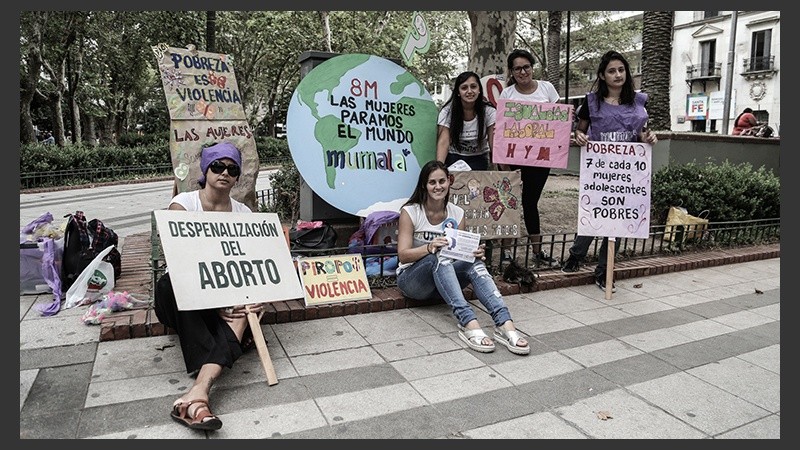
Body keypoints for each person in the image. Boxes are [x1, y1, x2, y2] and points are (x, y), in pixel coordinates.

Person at [153, 141, 264, 431]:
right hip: (183, 297)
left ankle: (199, 393)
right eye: (218, 166)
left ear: (237, 177)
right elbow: (182, 262)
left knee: (246, 308)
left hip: (226, 295)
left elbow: (252, 265)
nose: (225, 173)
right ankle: (228, 344)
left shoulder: (243, 214)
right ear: (206, 170)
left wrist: (261, 294)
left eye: (232, 169)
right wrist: (216, 305)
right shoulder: (183, 204)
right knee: (171, 284)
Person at [395, 160, 530, 355]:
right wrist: (430, 247)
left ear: (449, 182)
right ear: (424, 185)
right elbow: (403, 255)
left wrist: (472, 252)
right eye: (432, 182)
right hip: (413, 281)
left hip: (443, 281)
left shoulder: (457, 213)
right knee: (439, 255)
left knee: (474, 262)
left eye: (442, 181)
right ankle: (468, 323)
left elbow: (457, 255)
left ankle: (505, 324)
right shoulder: (411, 211)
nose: (438, 186)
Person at [562, 50, 658, 293]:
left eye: (621, 70)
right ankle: (576, 255)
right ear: (603, 75)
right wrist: (579, 136)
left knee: (618, 221)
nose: (617, 75)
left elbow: (642, 134)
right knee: (594, 214)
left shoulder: (639, 102)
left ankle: (605, 271)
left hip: (627, 173)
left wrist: (648, 138)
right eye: (612, 71)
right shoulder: (591, 102)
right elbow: (580, 130)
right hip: (599, 172)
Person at [498, 49, 561, 268]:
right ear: (511, 72)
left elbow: (558, 122)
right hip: (513, 158)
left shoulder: (547, 89)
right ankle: (506, 251)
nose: (523, 72)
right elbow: (502, 130)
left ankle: (537, 251)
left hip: (539, 159)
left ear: (532, 67)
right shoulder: (507, 94)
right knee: (509, 202)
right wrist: (504, 164)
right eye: (517, 68)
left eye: (526, 67)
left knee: (530, 202)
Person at [436, 71, 497, 171]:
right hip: (454, 157)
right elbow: (443, 142)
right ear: (458, 92)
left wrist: (504, 169)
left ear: (479, 90)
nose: (469, 91)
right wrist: (440, 169)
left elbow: (494, 142)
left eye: (473, 87)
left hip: (479, 158)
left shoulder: (489, 111)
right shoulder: (447, 112)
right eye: (464, 88)